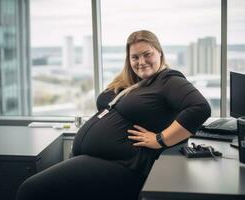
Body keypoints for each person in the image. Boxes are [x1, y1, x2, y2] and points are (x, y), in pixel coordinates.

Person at [16, 30, 211, 200]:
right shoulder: (133, 82)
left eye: (147, 54)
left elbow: (200, 108)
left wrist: (160, 139)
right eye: (135, 57)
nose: (141, 62)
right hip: (93, 158)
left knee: (31, 190)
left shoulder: (168, 79)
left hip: (125, 166)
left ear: (160, 53)